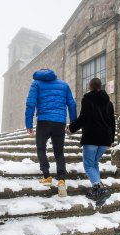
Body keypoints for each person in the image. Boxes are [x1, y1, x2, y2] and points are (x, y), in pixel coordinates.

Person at [25, 68, 77, 197]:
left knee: (41, 148)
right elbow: (72, 104)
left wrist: (29, 124)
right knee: (59, 152)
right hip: (59, 122)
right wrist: (73, 123)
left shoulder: (36, 84)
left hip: (43, 121)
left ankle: (47, 176)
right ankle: (61, 180)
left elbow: (30, 103)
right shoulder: (64, 85)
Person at [68, 77, 115, 206]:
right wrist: (111, 139)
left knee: (88, 165)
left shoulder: (87, 99)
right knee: (94, 164)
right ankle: (96, 190)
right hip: (105, 138)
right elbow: (112, 122)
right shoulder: (109, 102)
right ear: (101, 86)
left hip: (92, 137)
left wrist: (71, 128)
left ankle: (101, 189)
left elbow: (84, 118)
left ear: (90, 86)